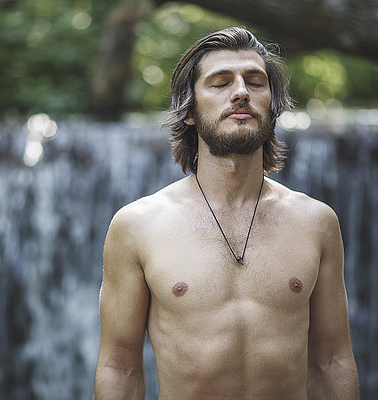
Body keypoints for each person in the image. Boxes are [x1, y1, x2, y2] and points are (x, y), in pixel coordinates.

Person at [94, 27, 359, 399]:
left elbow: (331, 360)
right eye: (220, 83)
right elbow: (119, 366)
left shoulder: (315, 222)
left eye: (255, 81)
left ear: (273, 104)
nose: (241, 92)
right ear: (189, 111)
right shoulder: (138, 226)